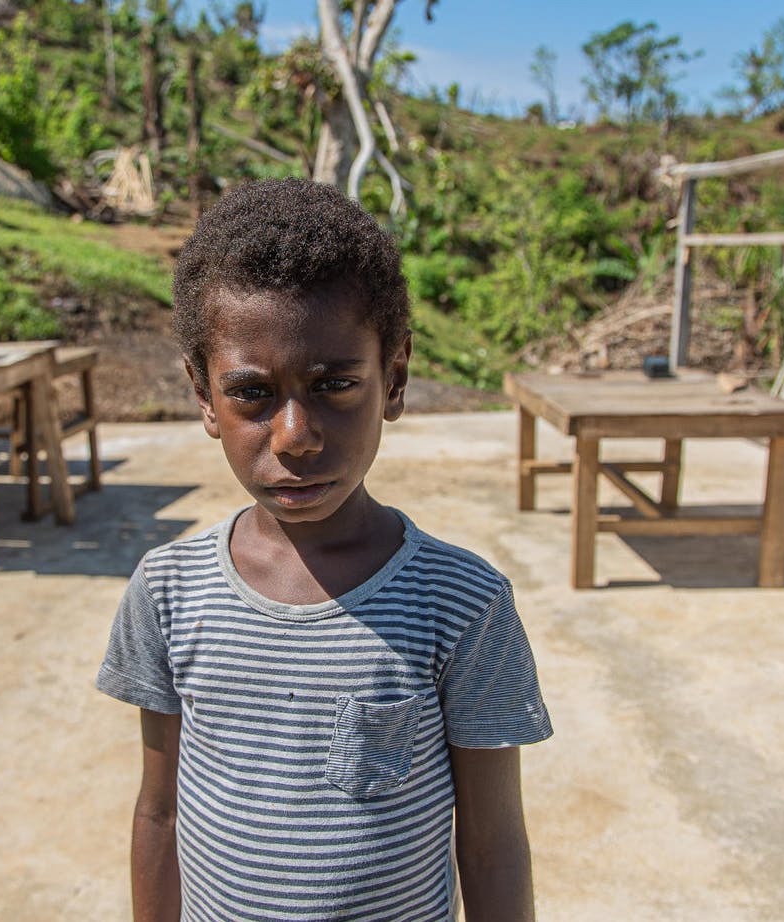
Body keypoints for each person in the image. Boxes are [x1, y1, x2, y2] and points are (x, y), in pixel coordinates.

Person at [96, 179, 553, 922]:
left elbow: (493, 844)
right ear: (204, 397)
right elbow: (161, 814)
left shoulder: (462, 604)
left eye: (336, 383)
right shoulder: (168, 594)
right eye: (251, 394)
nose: (295, 435)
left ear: (394, 379)